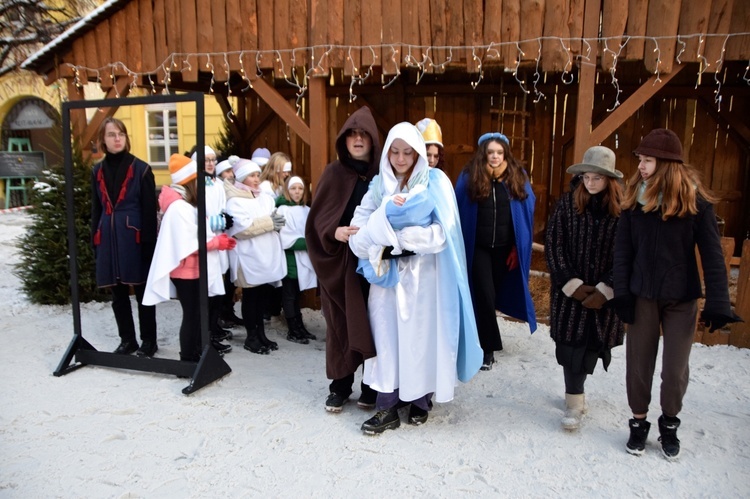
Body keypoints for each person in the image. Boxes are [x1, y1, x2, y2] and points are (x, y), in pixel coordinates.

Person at [613, 128, 742, 460]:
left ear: (667, 163)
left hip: (681, 298)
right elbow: (622, 252)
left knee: (674, 370)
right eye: (640, 160)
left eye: (647, 160)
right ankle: (638, 424)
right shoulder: (632, 200)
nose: (640, 166)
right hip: (642, 295)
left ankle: (669, 424)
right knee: (638, 366)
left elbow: (713, 254)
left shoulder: (694, 202)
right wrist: (622, 293)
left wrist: (717, 302)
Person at [349, 122, 482, 434]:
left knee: (420, 339)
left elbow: (442, 234)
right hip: (385, 281)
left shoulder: (434, 182)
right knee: (386, 339)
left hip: (425, 282)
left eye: (407, 152)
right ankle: (387, 405)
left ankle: (420, 399)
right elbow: (358, 233)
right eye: (394, 151)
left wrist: (404, 238)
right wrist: (381, 232)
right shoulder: (378, 186)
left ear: (418, 153)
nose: (400, 158)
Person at [305, 106, 380, 413]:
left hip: (375, 264)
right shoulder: (333, 173)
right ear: (345, 140)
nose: (358, 139)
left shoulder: (382, 174)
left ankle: (371, 387)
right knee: (340, 326)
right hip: (341, 265)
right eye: (353, 134)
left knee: (375, 324)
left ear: (373, 139)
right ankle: (340, 385)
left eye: (364, 134)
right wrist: (333, 232)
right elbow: (315, 222)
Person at [545, 146, 625, 431]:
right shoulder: (567, 205)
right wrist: (572, 284)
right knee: (570, 347)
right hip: (570, 295)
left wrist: (606, 289)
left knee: (592, 345)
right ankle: (574, 402)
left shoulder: (622, 212)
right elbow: (554, 245)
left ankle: (577, 394)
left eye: (597, 178)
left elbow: (627, 254)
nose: (590, 183)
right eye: (586, 177)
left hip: (603, 294)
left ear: (609, 181)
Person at [455, 132, 537, 371]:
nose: (494, 156)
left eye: (499, 152)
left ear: (505, 154)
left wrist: (515, 247)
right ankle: (487, 348)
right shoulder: (470, 176)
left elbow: (526, 210)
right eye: (490, 152)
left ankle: (483, 335)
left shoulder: (516, 177)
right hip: (478, 247)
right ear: (484, 153)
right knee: (484, 294)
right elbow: (458, 209)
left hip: (503, 248)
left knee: (496, 294)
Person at [142, 154, 236, 362]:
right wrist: (215, 243)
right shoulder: (179, 208)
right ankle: (188, 358)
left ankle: (194, 354)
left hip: (192, 269)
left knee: (196, 314)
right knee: (192, 315)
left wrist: (215, 239)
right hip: (187, 271)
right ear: (190, 181)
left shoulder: (184, 205)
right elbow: (187, 242)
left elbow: (196, 233)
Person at [91, 117, 158, 357]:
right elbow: (96, 208)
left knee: (142, 293)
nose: (117, 139)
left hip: (135, 238)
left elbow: (150, 211)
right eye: (111, 135)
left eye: (121, 134)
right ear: (103, 140)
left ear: (126, 138)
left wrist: (149, 245)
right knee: (118, 294)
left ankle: (149, 340)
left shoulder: (141, 169)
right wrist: (95, 239)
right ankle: (127, 339)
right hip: (108, 238)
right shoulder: (97, 170)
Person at [225, 158, 287, 354]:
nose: (256, 179)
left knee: (262, 297)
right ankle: (251, 337)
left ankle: (261, 334)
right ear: (242, 177)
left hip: (266, 256)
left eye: (257, 175)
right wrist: (269, 223)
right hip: (248, 257)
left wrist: (274, 222)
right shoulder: (235, 201)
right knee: (251, 297)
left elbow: (272, 217)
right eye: (252, 175)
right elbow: (242, 228)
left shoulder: (264, 198)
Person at [191, 145, 232, 354]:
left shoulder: (217, 185)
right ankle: (203, 337)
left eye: (213, 159)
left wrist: (224, 219)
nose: (210, 163)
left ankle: (212, 333)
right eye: (206, 159)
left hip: (219, 243)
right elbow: (193, 215)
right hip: (205, 244)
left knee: (217, 291)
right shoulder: (195, 185)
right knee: (205, 293)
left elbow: (222, 207)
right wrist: (213, 222)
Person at [276, 176, 317, 344]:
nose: (297, 192)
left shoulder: (306, 210)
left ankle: (300, 326)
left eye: (300, 188)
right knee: (289, 294)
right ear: (287, 190)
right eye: (293, 188)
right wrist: (311, 243)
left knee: (297, 294)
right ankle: (293, 329)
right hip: (290, 259)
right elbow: (285, 238)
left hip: (304, 257)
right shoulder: (282, 210)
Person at [214, 155, 243, 328]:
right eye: (226, 171)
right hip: (219, 240)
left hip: (231, 241)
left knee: (231, 280)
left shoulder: (233, 188)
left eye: (231, 171)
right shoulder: (216, 188)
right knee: (221, 281)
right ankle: (219, 316)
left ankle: (228, 311)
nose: (231, 174)